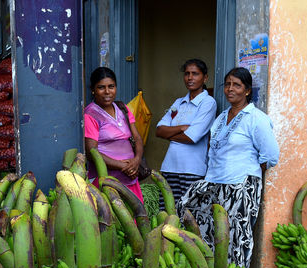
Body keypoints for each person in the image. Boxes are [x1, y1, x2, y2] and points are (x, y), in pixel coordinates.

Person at [178, 67, 279, 268]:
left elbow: (270, 156)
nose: (230, 89)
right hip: (215, 184)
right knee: (194, 217)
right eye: (228, 84)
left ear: (247, 91)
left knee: (236, 238)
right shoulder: (222, 117)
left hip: (241, 186)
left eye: (237, 85)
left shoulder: (255, 118)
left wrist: (245, 172)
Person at [156, 59, 217, 205]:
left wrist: (170, 134)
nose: (190, 78)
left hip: (192, 169)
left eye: (195, 74)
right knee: (167, 212)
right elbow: (159, 131)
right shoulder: (179, 102)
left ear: (205, 78)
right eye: (187, 74)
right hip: (169, 167)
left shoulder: (208, 103)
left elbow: (192, 137)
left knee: (189, 215)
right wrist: (181, 128)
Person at [84, 67, 144, 202]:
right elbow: (91, 152)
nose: (107, 92)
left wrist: (137, 160)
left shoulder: (122, 108)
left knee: (134, 219)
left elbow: (137, 138)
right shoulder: (90, 114)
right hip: (106, 182)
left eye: (111, 86)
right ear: (93, 90)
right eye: (101, 87)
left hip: (130, 179)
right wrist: (122, 166)